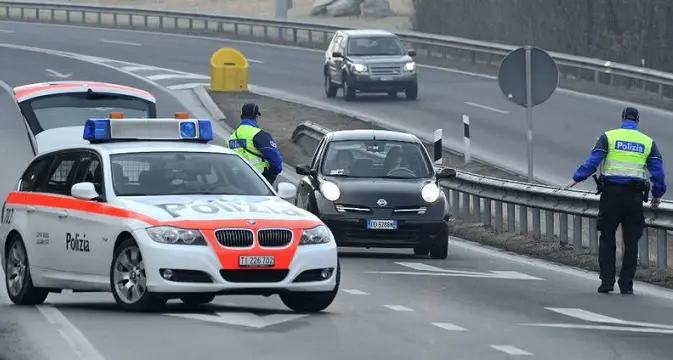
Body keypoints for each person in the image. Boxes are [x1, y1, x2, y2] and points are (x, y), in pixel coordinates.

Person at [564, 107, 666, 294]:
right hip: (634, 197)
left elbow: (593, 162)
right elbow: (658, 173)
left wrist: (576, 179)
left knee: (607, 237)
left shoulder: (608, 137)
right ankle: (626, 285)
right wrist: (657, 195)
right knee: (632, 241)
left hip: (611, 195)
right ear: (637, 121)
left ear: (622, 119)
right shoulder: (647, 142)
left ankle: (607, 282)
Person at [227, 103, 283, 184]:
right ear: (256, 116)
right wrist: (273, 174)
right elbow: (275, 159)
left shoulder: (231, 138)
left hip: (237, 180)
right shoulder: (259, 134)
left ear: (241, 116)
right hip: (259, 180)